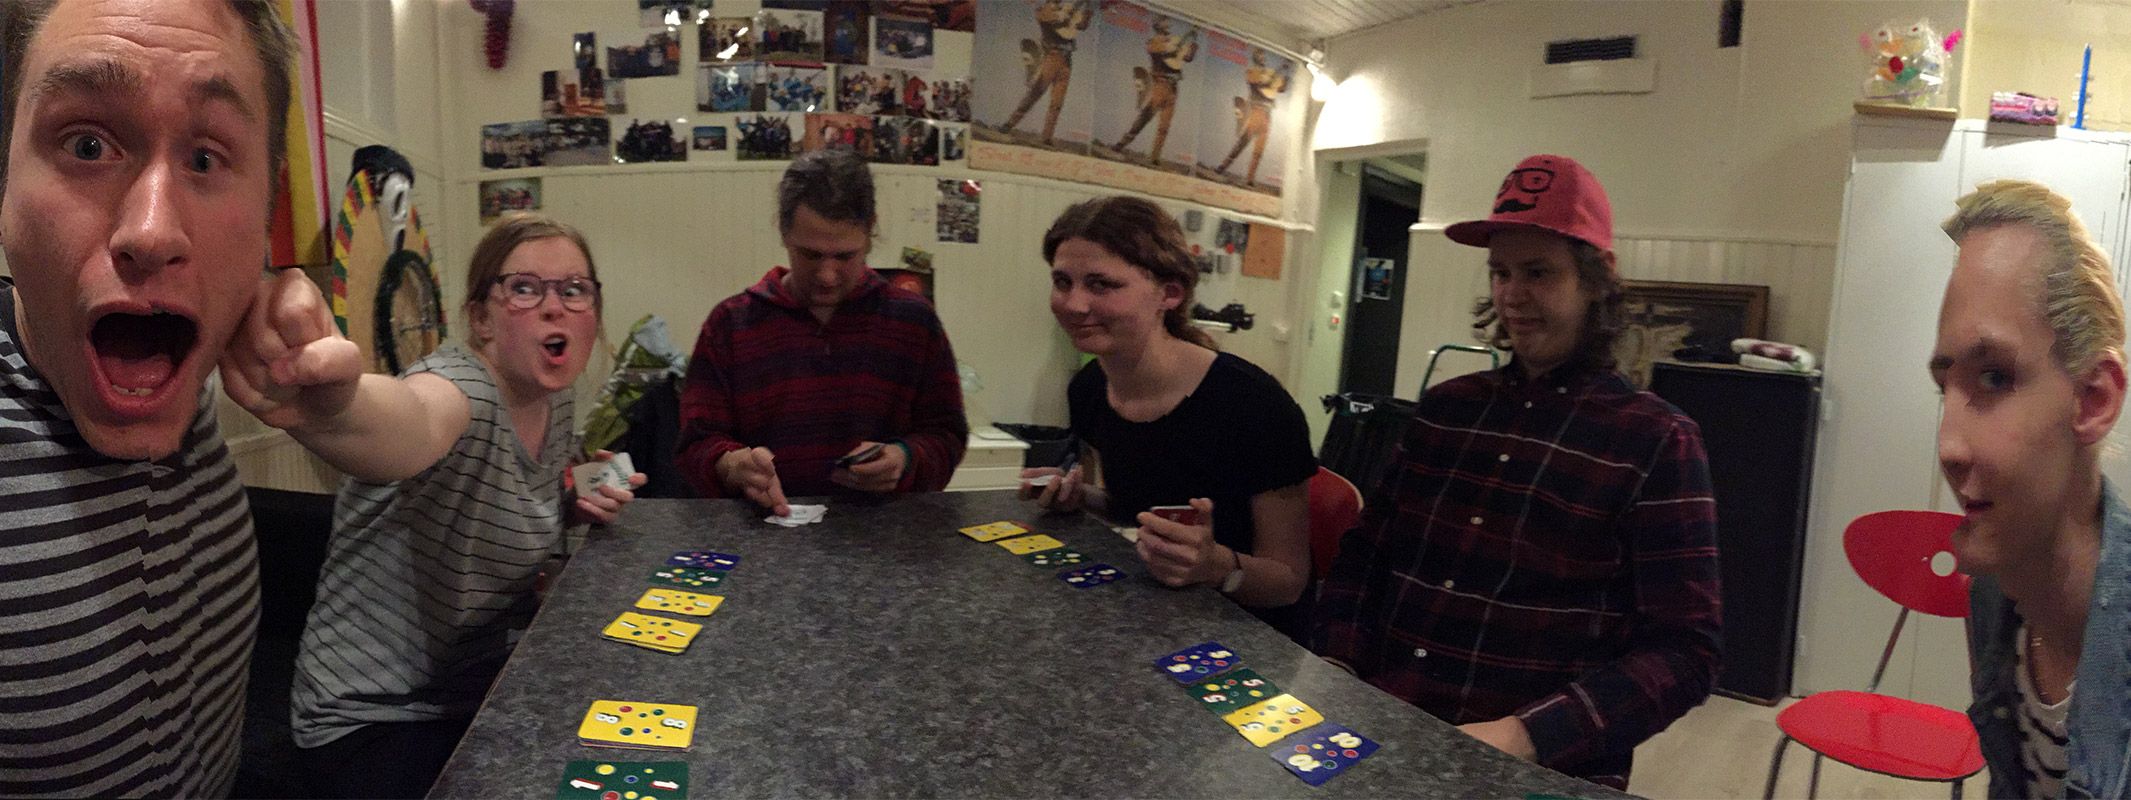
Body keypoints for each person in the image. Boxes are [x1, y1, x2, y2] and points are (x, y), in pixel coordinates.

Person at [0, 0, 417, 794]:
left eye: (204, 159)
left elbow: (423, 436)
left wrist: (327, 403)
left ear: (265, 212)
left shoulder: (196, 352)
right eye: (87, 145)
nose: (153, 233)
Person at [1311, 155, 1721, 790]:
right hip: (1380, 732)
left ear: (1597, 281)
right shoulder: (1445, 410)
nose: (1511, 295)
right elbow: (1365, 558)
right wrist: (1337, 665)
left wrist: (1525, 735)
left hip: (1540, 766)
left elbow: (1687, 653)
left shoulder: (1658, 439)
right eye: (1500, 272)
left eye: (1538, 272)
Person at [285, 214, 643, 798]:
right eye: (524, 288)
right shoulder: (464, 386)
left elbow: (507, 500)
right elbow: (415, 417)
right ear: (481, 319)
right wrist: (330, 405)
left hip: (478, 690)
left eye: (574, 290)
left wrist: (573, 501)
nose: (554, 308)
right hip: (374, 719)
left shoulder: (554, 396)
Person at [1020, 196, 1315, 637]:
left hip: (1248, 638)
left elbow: (1289, 582)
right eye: (1063, 282)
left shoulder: (1255, 405)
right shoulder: (1089, 389)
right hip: (1156, 619)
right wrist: (1080, 498)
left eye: (1101, 285)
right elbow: (1137, 509)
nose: (1074, 304)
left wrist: (1217, 566)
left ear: (1170, 294)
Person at [1936, 181, 2131, 799]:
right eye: (1944, 388)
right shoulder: (1998, 596)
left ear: (2093, 400)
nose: (1948, 446)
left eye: (1995, 377)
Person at [677, 149, 967, 515]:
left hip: (883, 536)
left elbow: (947, 435)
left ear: (870, 231)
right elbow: (694, 446)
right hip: (763, 533)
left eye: (845, 256)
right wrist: (732, 465)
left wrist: (905, 459)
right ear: (784, 233)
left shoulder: (914, 322)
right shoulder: (729, 325)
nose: (827, 276)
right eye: (810, 255)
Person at [1000, 0, 1093, 146]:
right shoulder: (1043, 11)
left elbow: (1082, 25)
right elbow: (1056, 22)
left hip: (1066, 61)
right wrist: (1070, 12)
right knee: (1034, 94)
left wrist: (1087, 9)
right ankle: (1009, 124)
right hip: (1051, 58)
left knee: (1057, 102)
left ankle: (1047, 137)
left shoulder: (1064, 10)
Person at [1108, 17, 1196, 165]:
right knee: (1144, 118)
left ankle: (1155, 157)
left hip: (1173, 89)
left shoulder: (1172, 41)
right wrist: (1175, 46)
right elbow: (1158, 51)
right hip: (1160, 86)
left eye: (1167, 24)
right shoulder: (1154, 42)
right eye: (1164, 24)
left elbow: (1188, 58)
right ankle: (1121, 144)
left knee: (1164, 127)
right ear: (1157, 26)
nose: (1168, 26)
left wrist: (1193, 46)